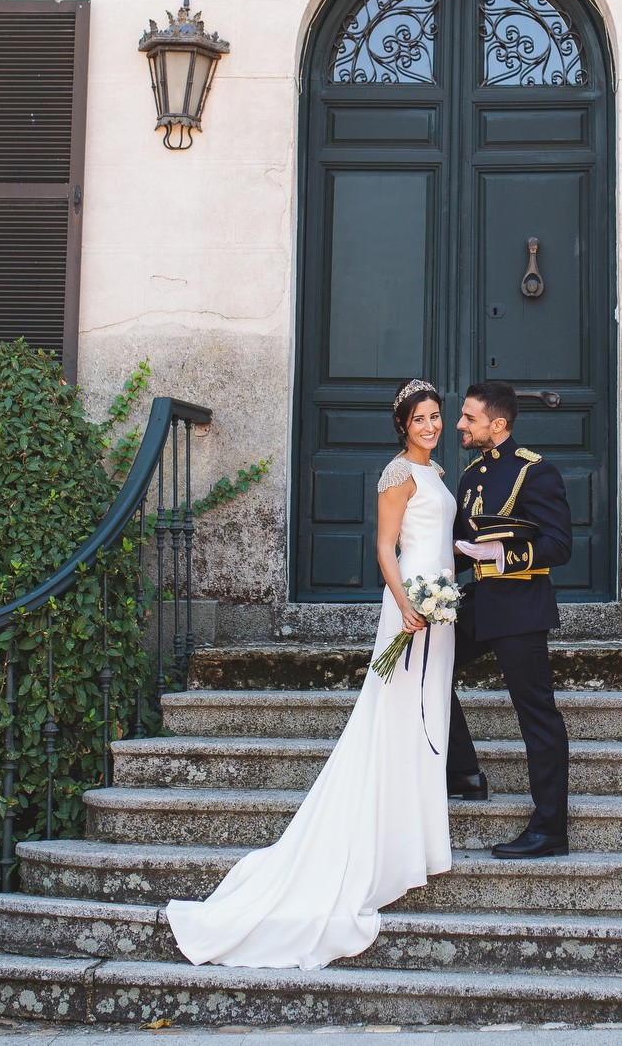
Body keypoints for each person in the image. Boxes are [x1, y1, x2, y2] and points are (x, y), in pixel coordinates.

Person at [166, 379, 456, 969]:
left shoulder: (439, 472)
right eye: (420, 419)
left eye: (435, 417)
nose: (430, 426)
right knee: (395, 715)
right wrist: (404, 605)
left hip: (440, 606)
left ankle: (420, 839)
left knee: (429, 718)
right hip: (410, 606)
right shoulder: (397, 474)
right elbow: (384, 547)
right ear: (402, 426)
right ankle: (388, 845)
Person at [445, 380, 574, 860]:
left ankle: (550, 828)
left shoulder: (535, 473)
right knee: (428, 669)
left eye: (469, 418)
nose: (459, 424)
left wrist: (501, 552)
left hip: (521, 606)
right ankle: (464, 772)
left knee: (536, 716)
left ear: (497, 425)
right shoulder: (471, 477)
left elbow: (560, 546)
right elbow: (459, 547)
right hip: (480, 602)